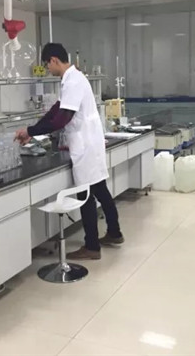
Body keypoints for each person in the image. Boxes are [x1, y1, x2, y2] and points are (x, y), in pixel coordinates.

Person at [14, 43, 124, 260]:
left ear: (54, 60)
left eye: (47, 64)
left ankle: (92, 246)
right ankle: (114, 232)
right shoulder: (74, 79)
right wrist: (31, 130)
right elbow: (56, 110)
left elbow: (61, 120)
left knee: (86, 195)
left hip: (85, 146)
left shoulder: (73, 81)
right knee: (101, 189)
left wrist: (31, 131)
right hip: (91, 143)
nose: (47, 69)